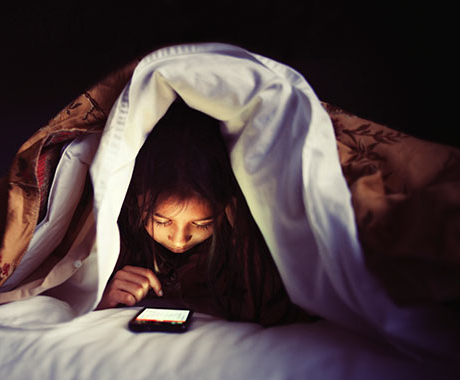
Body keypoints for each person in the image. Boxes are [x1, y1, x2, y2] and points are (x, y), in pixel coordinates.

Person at [96, 99, 314, 326]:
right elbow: (76, 294)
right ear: (136, 200)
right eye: (161, 221)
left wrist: (242, 232)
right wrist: (104, 300)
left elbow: (278, 315)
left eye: (202, 224)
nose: (180, 240)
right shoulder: (118, 237)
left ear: (226, 209)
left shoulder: (237, 242)